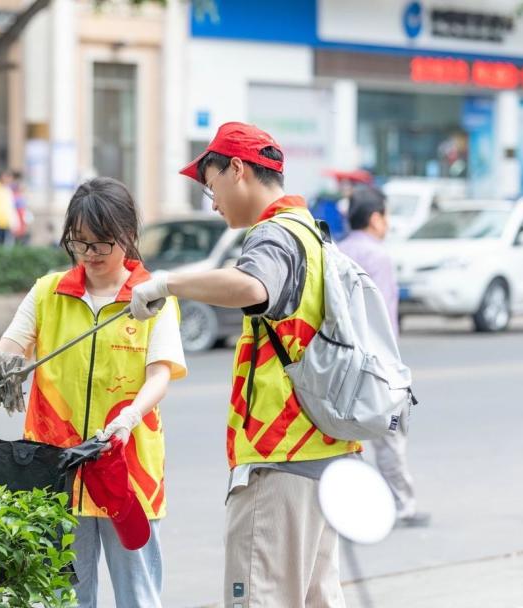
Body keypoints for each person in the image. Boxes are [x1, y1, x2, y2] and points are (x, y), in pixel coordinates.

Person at [130, 122, 359, 607]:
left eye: (210, 186)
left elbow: (253, 286)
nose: (211, 202)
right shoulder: (313, 234)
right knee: (319, 597)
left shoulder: (273, 235)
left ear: (237, 169)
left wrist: (167, 283)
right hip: (325, 451)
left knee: (260, 597)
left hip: (281, 457)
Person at [0, 177, 187, 608]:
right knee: (64, 597)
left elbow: (160, 375)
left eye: (101, 244)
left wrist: (129, 418)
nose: (90, 255)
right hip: (55, 470)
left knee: (139, 594)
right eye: (80, 243)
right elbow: (6, 349)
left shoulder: (152, 298)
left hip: (126, 469)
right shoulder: (49, 292)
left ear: (128, 236)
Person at [338, 187, 430, 529]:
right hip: (377, 365)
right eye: (386, 216)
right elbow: (384, 316)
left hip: (344, 360)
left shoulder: (338, 250)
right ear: (376, 218)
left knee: (347, 437)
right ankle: (401, 503)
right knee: (390, 435)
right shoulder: (378, 256)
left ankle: (347, 505)